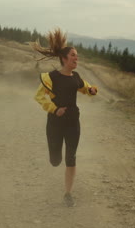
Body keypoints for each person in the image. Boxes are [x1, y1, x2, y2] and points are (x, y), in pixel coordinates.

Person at [32, 28, 97, 207]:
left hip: (73, 122)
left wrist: (92, 90)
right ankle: (54, 158)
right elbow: (38, 97)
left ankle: (68, 194)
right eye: (73, 56)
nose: (76, 59)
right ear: (64, 59)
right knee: (55, 160)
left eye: (77, 56)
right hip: (55, 123)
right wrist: (54, 109)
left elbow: (86, 88)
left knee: (71, 157)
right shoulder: (50, 78)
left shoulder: (76, 77)